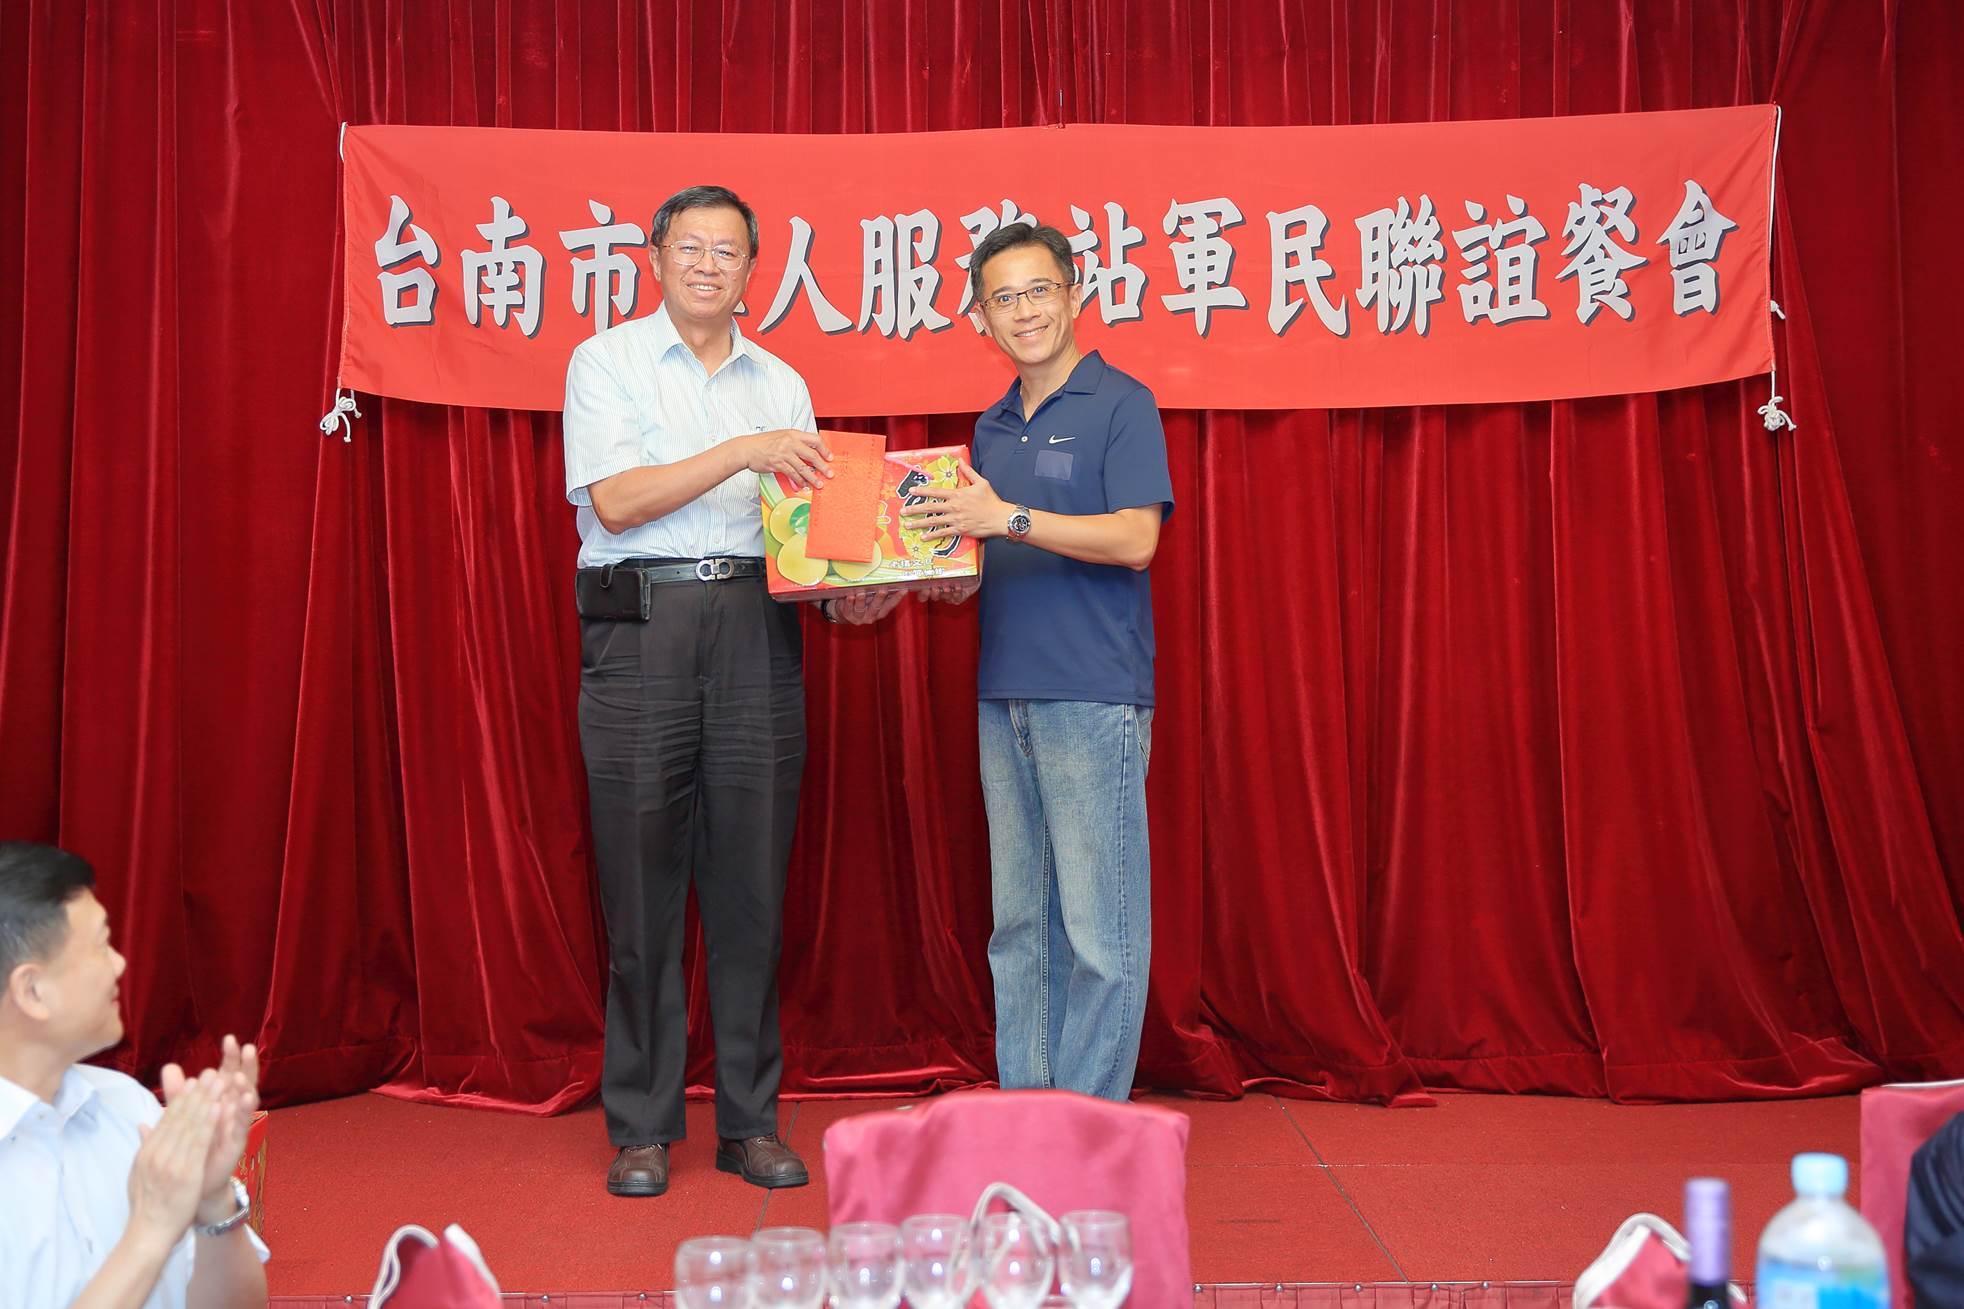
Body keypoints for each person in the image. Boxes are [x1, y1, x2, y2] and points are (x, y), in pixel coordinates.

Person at [562, 184, 899, 1197]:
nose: (708, 264)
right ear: (655, 258)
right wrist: (743, 451)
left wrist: (859, 587)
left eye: (727, 250)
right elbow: (617, 501)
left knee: (752, 886)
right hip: (642, 627)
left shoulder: (781, 382)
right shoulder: (605, 362)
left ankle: (750, 1122)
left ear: (754, 271)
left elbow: (808, 536)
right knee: (640, 887)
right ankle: (641, 1125)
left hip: (757, 625)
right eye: (690, 246)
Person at [904, 222, 1173, 1101]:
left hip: (1093, 695)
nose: (1023, 311)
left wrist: (1008, 518)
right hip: (1004, 696)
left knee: (1100, 933)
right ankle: (1029, 1110)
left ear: (1075, 293)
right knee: (1019, 927)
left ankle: (1089, 1125)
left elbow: (1135, 540)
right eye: (1003, 298)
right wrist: (917, 581)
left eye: (1039, 290)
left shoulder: (1122, 403)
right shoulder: (988, 428)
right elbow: (983, 561)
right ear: (980, 317)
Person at [0, 841, 268, 1309]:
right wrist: (151, 1230)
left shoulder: (127, 1106)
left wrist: (212, 1203)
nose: (121, 963)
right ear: (32, 990)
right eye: (101, 946)